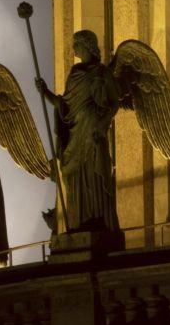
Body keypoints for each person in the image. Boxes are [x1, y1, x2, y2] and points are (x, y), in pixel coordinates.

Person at [35, 30, 121, 232]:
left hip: (92, 130)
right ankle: (80, 221)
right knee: (72, 175)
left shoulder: (102, 73)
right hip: (75, 132)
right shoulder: (75, 73)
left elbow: (114, 103)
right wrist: (44, 91)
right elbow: (63, 104)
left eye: (76, 44)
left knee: (93, 174)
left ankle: (98, 220)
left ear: (86, 45)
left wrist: (102, 123)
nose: (73, 48)